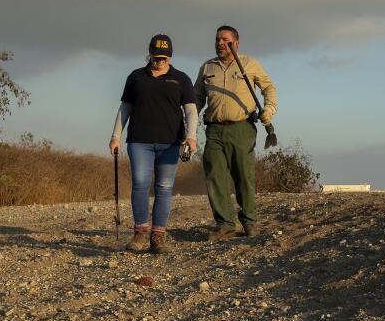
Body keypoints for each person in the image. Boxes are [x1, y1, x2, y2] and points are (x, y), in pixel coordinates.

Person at [109, 34, 198, 254]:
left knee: (164, 187)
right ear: (149, 55)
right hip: (139, 140)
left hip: (170, 142)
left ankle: (158, 236)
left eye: (164, 58)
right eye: (156, 57)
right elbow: (125, 108)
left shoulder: (181, 79)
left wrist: (191, 135)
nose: (159, 62)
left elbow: (190, 110)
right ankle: (140, 232)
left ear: (170, 57)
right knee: (140, 182)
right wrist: (115, 136)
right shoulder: (136, 77)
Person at [195, 25, 276, 239]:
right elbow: (197, 98)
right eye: (217, 39)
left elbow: (268, 87)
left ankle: (249, 221)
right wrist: (188, 122)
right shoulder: (207, 67)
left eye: (224, 40)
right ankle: (225, 224)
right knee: (215, 176)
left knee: (243, 176)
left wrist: (269, 109)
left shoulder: (250, 64)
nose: (220, 43)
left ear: (236, 43)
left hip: (242, 128)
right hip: (213, 130)